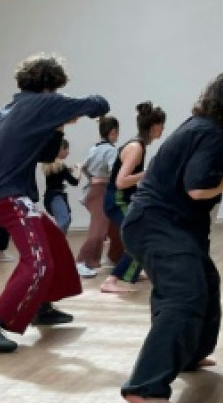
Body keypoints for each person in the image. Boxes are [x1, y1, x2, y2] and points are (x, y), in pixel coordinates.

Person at [120, 71, 223, 403]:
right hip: (158, 225)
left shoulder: (203, 127)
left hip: (165, 225)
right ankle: (146, 387)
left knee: (205, 282)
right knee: (183, 296)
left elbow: (195, 169)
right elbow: (198, 188)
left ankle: (189, 354)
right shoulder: (208, 131)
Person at [0, 55, 109, 353]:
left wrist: (58, 127)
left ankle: (41, 306)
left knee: (54, 238)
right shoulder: (40, 103)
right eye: (56, 89)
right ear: (48, 86)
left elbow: (46, 155)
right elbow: (99, 103)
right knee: (39, 262)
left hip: (9, 195)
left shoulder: (8, 110)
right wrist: (67, 112)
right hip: (10, 197)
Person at [100, 103, 166, 295]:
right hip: (117, 200)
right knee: (138, 235)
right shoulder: (136, 147)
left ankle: (133, 273)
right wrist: (147, 173)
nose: (162, 130)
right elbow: (121, 182)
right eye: (162, 126)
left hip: (123, 199)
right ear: (154, 127)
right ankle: (111, 280)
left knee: (144, 231)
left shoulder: (139, 145)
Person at [75, 117, 119, 277]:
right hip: (101, 191)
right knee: (99, 229)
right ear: (113, 131)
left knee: (114, 225)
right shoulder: (111, 150)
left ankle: (116, 257)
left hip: (94, 190)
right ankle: (81, 261)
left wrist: (94, 178)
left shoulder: (94, 148)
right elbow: (115, 171)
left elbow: (84, 167)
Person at [40, 138, 79, 233]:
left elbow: (57, 175)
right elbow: (75, 182)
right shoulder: (61, 166)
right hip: (56, 198)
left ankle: (59, 242)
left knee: (65, 219)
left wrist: (67, 171)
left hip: (50, 197)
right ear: (60, 150)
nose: (68, 152)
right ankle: (54, 239)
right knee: (64, 220)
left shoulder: (50, 165)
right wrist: (80, 170)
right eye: (66, 149)